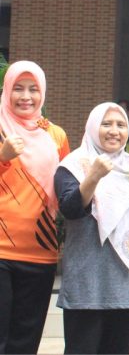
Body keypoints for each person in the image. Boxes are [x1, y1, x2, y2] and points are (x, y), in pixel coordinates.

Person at [55, 102, 129, 354]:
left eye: (121, 125)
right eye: (106, 124)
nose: (114, 131)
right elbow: (70, 209)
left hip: (124, 281)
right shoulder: (71, 165)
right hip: (85, 282)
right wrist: (93, 176)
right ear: (92, 127)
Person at [0, 61, 70, 354]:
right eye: (18, 88)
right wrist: (2, 157)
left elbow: (66, 190)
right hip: (1, 251)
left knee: (25, 342)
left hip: (41, 252)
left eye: (33, 89)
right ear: (7, 90)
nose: (26, 96)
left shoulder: (55, 135)